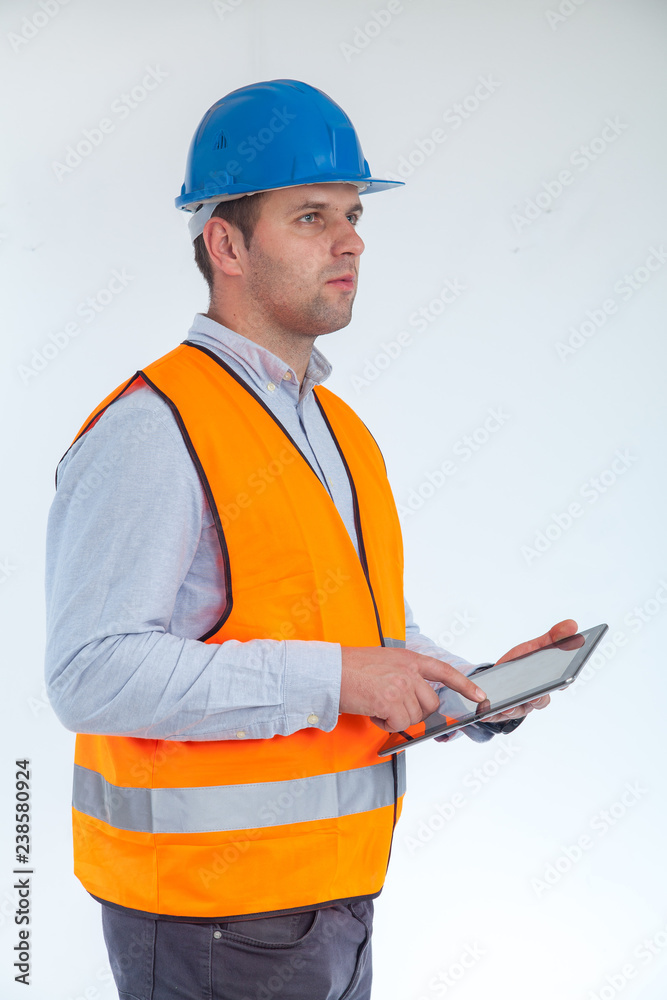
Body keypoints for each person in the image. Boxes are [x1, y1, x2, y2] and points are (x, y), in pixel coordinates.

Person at [45, 79, 575, 1000]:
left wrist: (474, 689)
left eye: (353, 215)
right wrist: (338, 679)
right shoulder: (155, 428)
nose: (351, 241)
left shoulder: (337, 429)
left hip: (335, 901)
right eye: (310, 216)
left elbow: (360, 636)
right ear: (226, 245)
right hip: (207, 920)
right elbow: (90, 674)